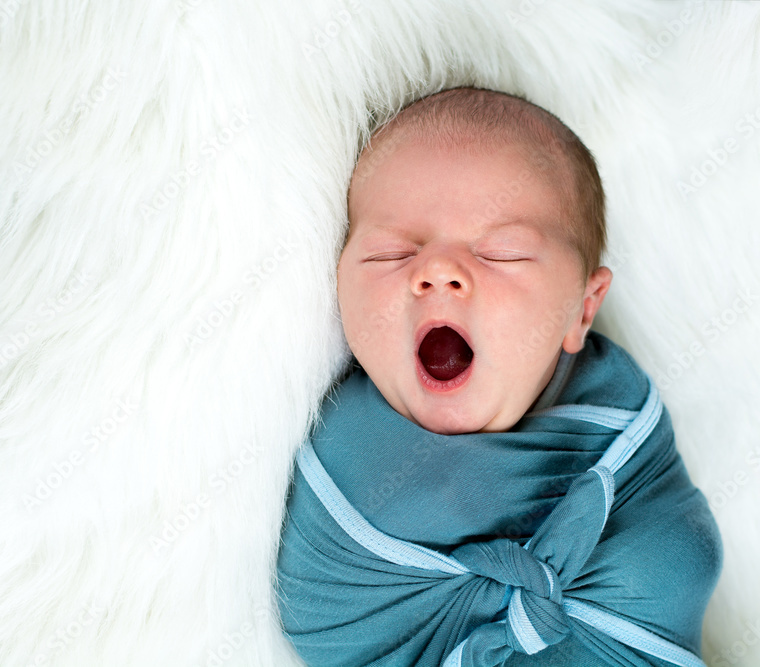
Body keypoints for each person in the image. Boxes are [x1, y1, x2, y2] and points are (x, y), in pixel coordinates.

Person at [275, 87, 723, 666]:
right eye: (390, 254)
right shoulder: (345, 473)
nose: (437, 271)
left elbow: (676, 554)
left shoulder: (616, 408)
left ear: (583, 309)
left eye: (503, 253)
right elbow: (324, 613)